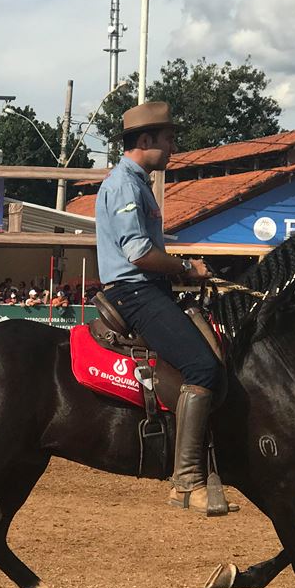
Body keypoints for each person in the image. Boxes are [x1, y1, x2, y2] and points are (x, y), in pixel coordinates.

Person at [95, 101, 235, 516]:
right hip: (135, 293)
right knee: (203, 369)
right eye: (168, 139)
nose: (174, 147)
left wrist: (183, 274)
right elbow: (138, 253)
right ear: (145, 140)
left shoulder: (138, 183)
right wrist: (185, 268)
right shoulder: (123, 184)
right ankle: (186, 480)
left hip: (148, 288)